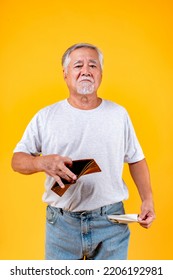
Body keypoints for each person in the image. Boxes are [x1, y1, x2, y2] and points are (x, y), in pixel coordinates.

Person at [11, 43, 155, 260]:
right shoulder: (46, 116)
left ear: (101, 74)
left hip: (111, 222)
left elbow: (136, 159)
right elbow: (17, 160)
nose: (86, 70)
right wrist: (40, 163)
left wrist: (148, 199)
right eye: (78, 65)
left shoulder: (118, 114)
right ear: (66, 74)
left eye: (93, 65)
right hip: (61, 225)